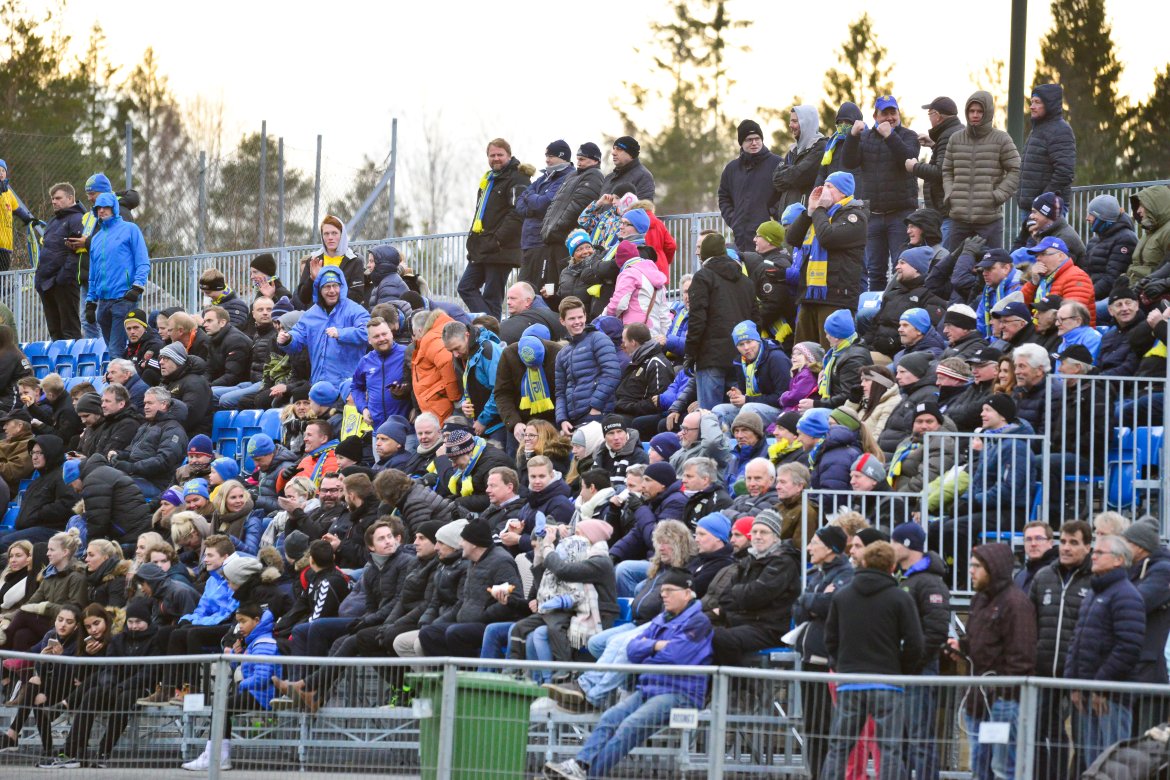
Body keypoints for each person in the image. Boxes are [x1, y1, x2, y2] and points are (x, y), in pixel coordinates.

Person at [543, 567, 711, 780]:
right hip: (651, 688)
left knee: (629, 727)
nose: (663, 594)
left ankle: (587, 774)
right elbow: (633, 649)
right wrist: (657, 646)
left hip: (679, 693)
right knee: (609, 718)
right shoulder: (662, 619)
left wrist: (649, 647)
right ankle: (580, 764)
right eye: (662, 589)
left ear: (687, 593)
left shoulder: (699, 621)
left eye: (670, 590)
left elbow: (678, 654)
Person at [821, 540, 924, 780]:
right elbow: (915, 643)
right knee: (889, 749)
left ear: (863, 562)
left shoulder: (842, 596)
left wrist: (841, 666)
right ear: (892, 566)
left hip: (849, 682)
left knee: (839, 747)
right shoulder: (900, 598)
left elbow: (830, 640)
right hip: (887, 681)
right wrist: (901, 669)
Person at [947, 543, 1036, 780]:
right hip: (979, 698)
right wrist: (962, 647)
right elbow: (979, 641)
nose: (971, 571)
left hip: (1002, 702)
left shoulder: (1016, 604)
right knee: (980, 764)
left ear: (993, 568)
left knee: (1003, 769)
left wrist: (1001, 692)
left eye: (977, 566)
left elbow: (1022, 656)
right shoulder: (979, 599)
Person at [1065, 533, 1145, 768]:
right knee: (1094, 765)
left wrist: (1101, 687)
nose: (1094, 556)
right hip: (1089, 695)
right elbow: (1077, 641)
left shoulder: (1127, 595)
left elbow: (1127, 648)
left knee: (1112, 765)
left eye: (1100, 553)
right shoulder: (1094, 593)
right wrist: (1075, 684)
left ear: (1119, 560)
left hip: (1112, 699)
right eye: (1094, 552)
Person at [1029, 519, 1093, 780]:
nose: (1066, 548)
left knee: (1081, 739)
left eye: (1074, 543)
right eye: (1064, 542)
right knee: (1039, 734)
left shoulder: (1095, 580)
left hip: (1078, 677)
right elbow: (1029, 624)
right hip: (1043, 674)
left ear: (1088, 547)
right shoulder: (1043, 577)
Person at [843, 95, 921, 291]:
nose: (889, 117)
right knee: (875, 271)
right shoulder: (865, 137)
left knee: (901, 267)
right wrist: (851, 137)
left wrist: (890, 135)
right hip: (874, 216)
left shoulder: (908, 136)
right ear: (875, 116)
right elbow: (849, 162)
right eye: (884, 113)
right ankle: (877, 317)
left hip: (900, 215)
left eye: (892, 112)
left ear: (898, 113)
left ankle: (899, 314)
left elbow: (908, 158)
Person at [787, 172, 869, 346]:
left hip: (835, 297)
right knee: (804, 353)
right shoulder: (818, 215)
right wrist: (809, 212)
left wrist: (820, 210)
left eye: (829, 186)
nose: (823, 190)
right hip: (809, 295)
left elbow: (828, 238)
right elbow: (792, 239)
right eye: (823, 185)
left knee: (827, 352)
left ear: (843, 192)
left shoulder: (855, 216)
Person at [684, 233, 757, 410]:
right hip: (740, 355)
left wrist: (690, 353)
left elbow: (697, 319)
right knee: (736, 414)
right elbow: (755, 319)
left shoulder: (703, 277)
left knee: (709, 416)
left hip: (710, 356)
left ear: (704, 255)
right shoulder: (746, 282)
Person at [940, 91, 1020, 252]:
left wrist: (998, 196)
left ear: (988, 112)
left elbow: (1016, 169)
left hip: (989, 220)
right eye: (971, 111)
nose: (975, 115)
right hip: (958, 219)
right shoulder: (955, 139)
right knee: (954, 270)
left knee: (989, 271)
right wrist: (950, 193)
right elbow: (947, 170)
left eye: (980, 111)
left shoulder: (1001, 139)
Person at [460, 139, 530, 317]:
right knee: (465, 287)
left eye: (500, 155)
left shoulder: (517, 177)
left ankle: (491, 332)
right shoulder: (489, 179)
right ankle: (490, 325)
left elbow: (518, 213)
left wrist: (498, 239)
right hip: (483, 247)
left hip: (501, 248)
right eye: (492, 155)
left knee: (492, 297)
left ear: (509, 155)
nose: (496, 158)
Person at [276, 266, 371, 388]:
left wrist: (341, 334)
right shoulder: (310, 314)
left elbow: (367, 333)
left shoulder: (355, 310)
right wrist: (288, 339)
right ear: (319, 289)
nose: (332, 290)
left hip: (349, 385)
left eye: (335, 286)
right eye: (327, 286)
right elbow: (298, 337)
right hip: (319, 384)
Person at [84, 192, 150, 359]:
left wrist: (137, 287)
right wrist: (90, 301)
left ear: (114, 208)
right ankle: (127, 374)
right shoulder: (96, 238)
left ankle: (119, 383)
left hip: (124, 297)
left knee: (115, 350)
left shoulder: (130, 229)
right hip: (103, 302)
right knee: (115, 350)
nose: (102, 211)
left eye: (106, 207)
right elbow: (93, 273)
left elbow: (142, 261)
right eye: (98, 208)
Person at [1015, 84, 1077, 247]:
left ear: (1049, 104)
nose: (1032, 106)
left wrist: (1042, 201)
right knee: (1026, 257)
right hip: (1032, 208)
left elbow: (1064, 171)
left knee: (1040, 257)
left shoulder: (1060, 130)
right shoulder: (1038, 129)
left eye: (1037, 102)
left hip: (1047, 210)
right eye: (1031, 101)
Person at [863, 247, 947, 359]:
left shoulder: (931, 295)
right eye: (897, 263)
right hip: (877, 349)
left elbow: (925, 333)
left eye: (902, 263)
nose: (897, 267)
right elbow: (874, 325)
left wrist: (892, 343)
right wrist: (863, 344)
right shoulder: (893, 293)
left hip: (903, 356)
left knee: (859, 361)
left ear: (917, 268)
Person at [554, 296, 621, 435]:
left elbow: (612, 374)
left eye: (580, 317)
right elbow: (560, 391)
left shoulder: (598, 339)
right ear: (562, 321)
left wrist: (595, 408)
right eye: (572, 319)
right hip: (573, 420)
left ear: (585, 316)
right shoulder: (562, 354)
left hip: (598, 414)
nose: (577, 322)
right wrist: (562, 419)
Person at [711, 320, 791, 431]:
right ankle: (726, 446)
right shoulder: (740, 361)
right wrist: (739, 395)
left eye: (749, 342)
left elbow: (783, 397)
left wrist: (747, 399)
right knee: (718, 410)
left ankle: (746, 445)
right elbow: (745, 394)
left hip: (780, 410)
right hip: (754, 404)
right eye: (741, 344)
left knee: (748, 409)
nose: (746, 348)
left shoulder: (776, 358)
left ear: (757, 340)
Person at [515, 140, 574, 291]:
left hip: (543, 243)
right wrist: (532, 207)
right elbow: (520, 201)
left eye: (551, 156)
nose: (547, 159)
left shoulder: (567, 178)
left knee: (538, 289)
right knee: (523, 288)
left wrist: (532, 200)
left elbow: (545, 203)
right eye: (546, 155)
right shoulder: (543, 178)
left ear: (563, 157)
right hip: (528, 242)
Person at [718, 119, 782, 253]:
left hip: (768, 239)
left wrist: (771, 214)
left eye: (757, 138)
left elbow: (785, 194)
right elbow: (724, 197)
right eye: (749, 139)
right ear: (741, 142)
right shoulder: (731, 169)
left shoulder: (777, 164)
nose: (754, 143)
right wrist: (734, 219)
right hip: (741, 238)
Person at [35, 182, 86, 340]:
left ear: (70, 198)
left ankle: (74, 363)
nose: (54, 201)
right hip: (46, 283)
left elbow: (76, 252)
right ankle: (58, 365)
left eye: (58, 198)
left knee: (69, 329)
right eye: (52, 199)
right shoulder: (53, 221)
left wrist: (62, 278)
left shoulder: (78, 218)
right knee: (55, 331)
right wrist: (39, 279)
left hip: (64, 283)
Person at [541, 142, 605, 268]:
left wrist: (556, 227)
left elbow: (579, 205)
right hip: (554, 237)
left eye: (582, 159)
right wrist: (546, 227)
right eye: (578, 159)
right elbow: (554, 203)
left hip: (567, 239)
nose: (578, 163)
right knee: (550, 284)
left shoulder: (594, 175)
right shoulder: (573, 175)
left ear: (595, 160)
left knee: (562, 280)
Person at [907, 97, 962, 240]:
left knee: (943, 258)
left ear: (937, 116)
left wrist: (914, 167)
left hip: (946, 210)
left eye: (930, 114)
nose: (930, 118)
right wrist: (934, 145)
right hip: (951, 209)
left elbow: (940, 171)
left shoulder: (947, 135)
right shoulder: (955, 132)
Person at [351, 317, 410, 431]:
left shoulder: (406, 354)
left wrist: (416, 409)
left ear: (391, 334)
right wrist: (363, 408)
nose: (382, 338)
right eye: (376, 336)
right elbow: (356, 387)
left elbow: (420, 383)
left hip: (406, 430)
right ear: (369, 340)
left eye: (384, 334)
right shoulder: (366, 361)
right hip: (378, 431)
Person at [294, 215, 365, 308]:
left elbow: (357, 296)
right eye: (326, 234)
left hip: (343, 316)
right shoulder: (313, 260)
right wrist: (312, 279)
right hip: (318, 317)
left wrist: (330, 296)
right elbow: (303, 298)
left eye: (334, 233)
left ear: (342, 235)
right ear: (322, 236)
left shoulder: (354, 261)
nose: (330, 237)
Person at [772, 105, 826, 214]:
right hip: (787, 218)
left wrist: (790, 171)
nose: (790, 125)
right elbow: (775, 179)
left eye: (795, 121)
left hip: (805, 218)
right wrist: (793, 170)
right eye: (790, 121)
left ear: (807, 123)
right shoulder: (793, 150)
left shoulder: (820, 147)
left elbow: (800, 175)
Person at [411, 307, 462, 423]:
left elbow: (447, 362)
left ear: (419, 331)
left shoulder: (430, 338)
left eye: (414, 334)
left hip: (442, 407)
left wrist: (455, 398)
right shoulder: (440, 332)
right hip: (440, 404)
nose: (414, 339)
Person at [202, 305, 252, 395]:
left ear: (222, 323)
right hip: (225, 384)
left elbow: (233, 376)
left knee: (204, 395)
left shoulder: (236, 340)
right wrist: (202, 385)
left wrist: (207, 387)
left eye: (209, 321)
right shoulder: (213, 339)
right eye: (204, 321)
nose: (204, 325)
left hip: (242, 385)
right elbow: (209, 370)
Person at [498, 282, 566, 344]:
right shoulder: (550, 314)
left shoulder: (534, 317)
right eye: (508, 298)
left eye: (513, 298)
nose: (508, 302)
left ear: (528, 301)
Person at [599, 135, 655, 202]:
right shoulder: (609, 178)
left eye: (619, 149)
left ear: (631, 154)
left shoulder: (643, 176)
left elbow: (642, 209)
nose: (613, 153)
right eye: (614, 148)